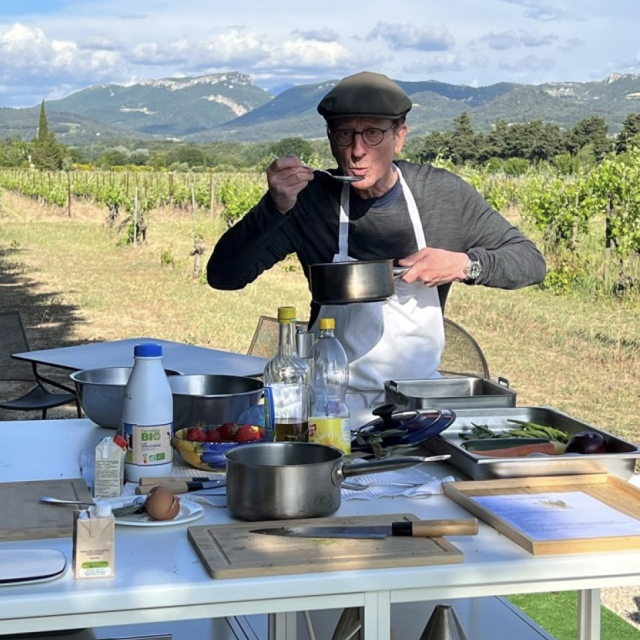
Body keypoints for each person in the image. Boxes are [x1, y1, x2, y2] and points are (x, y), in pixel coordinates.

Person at [207, 71, 546, 410]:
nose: (356, 151)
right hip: (328, 403)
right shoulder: (309, 201)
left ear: (399, 138)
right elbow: (224, 276)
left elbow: (530, 261)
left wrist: (464, 264)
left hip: (418, 405)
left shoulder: (442, 196)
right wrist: (273, 208)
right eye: (344, 134)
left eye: (372, 133)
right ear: (329, 138)